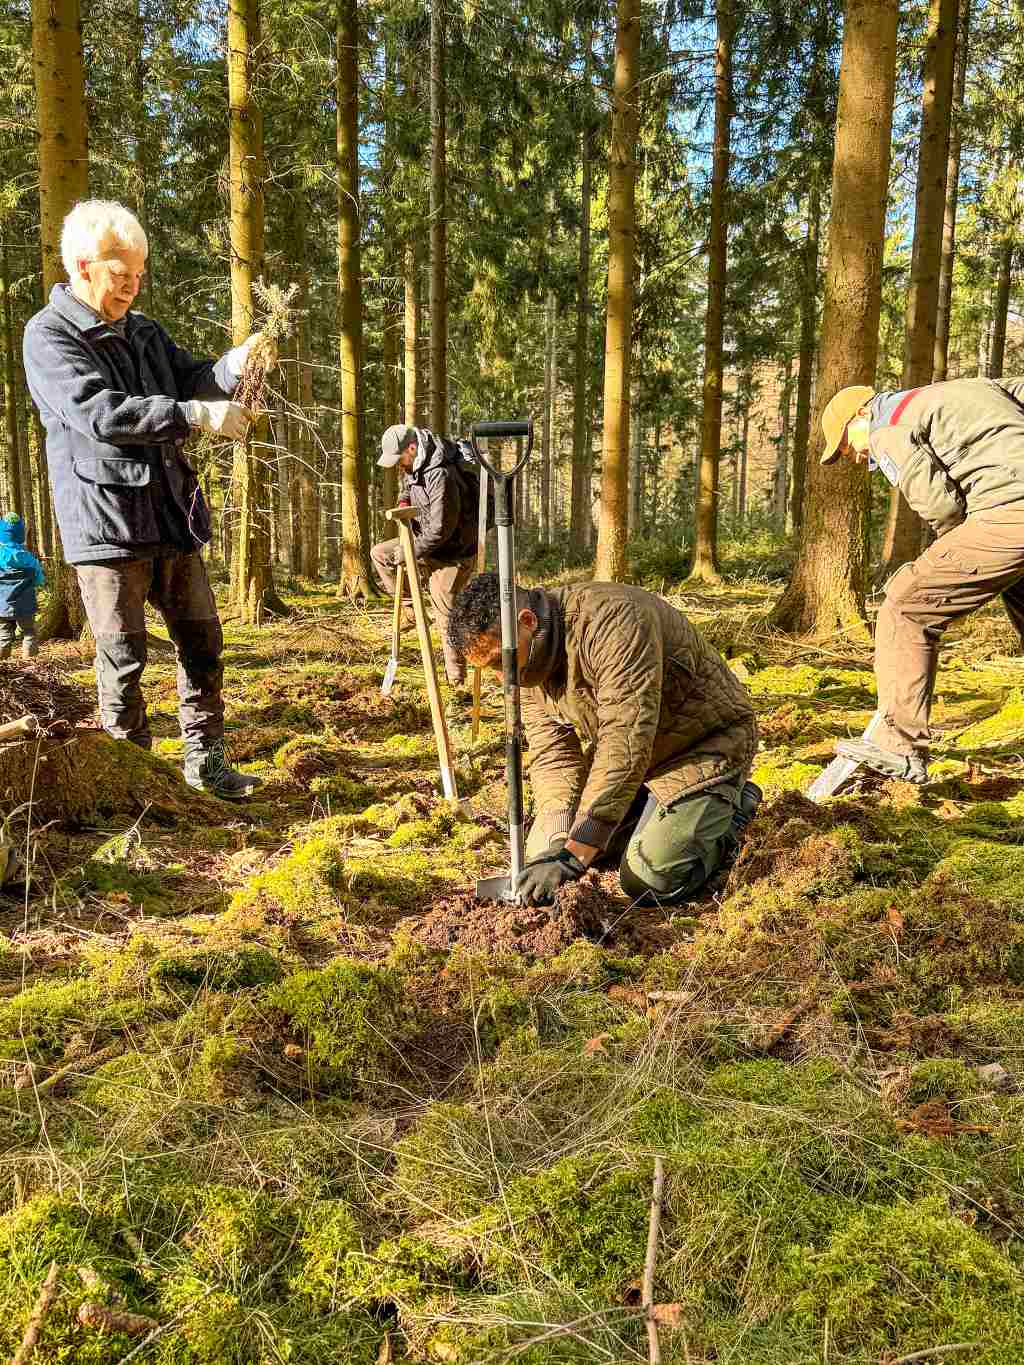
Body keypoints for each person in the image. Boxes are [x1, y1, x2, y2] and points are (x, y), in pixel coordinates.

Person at [22, 198, 260, 798]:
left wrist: (231, 369)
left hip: (172, 515)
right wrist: (196, 414)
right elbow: (100, 413)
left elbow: (190, 379)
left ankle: (205, 763)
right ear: (81, 266)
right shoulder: (49, 337)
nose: (131, 285)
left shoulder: (146, 332)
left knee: (203, 639)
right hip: (106, 526)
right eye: (119, 274)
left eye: (138, 274)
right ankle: (135, 783)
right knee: (124, 659)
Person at [448, 573, 762, 907]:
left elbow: (624, 740)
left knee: (649, 878)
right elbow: (553, 755)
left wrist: (572, 856)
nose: (501, 677)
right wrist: (553, 845)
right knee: (578, 847)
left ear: (526, 621)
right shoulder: (526, 665)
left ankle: (735, 806)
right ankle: (654, 813)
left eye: (499, 661)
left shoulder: (613, 622)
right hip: (642, 758)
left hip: (703, 745)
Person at [820, 378, 1024, 783]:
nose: (856, 457)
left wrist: (961, 550)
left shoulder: (887, 425)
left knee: (905, 604)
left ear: (862, 414)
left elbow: (941, 506)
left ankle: (897, 744)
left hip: (1008, 511)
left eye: (847, 446)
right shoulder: (964, 389)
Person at [372, 424, 480, 708]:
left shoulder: (440, 473)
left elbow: (442, 528)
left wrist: (409, 553)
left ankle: (456, 684)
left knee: (445, 613)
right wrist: (403, 502)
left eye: (400, 459)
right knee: (380, 554)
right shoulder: (415, 465)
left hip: (453, 552)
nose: (399, 466)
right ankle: (409, 607)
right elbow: (408, 489)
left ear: (411, 449)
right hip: (426, 544)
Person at [0, 515, 44, 661]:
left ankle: (3, 665)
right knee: (29, 632)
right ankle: (30, 662)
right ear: (21, 534)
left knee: (4, 635)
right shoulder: (29, 558)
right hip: (26, 605)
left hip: (3, 606)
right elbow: (39, 580)